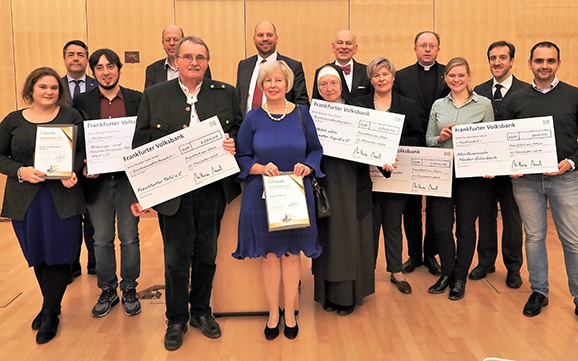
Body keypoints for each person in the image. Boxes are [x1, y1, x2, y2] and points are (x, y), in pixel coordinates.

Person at [130, 36, 242, 351]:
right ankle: (176, 318)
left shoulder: (225, 93)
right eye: (188, 57)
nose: (194, 62)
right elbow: (141, 145)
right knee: (176, 257)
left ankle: (201, 312)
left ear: (207, 62)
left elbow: (238, 130)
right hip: (172, 193)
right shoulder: (155, 96)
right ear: (176, 60)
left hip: (211, 189)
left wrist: (232, 142)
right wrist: (143, 192)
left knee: (206, 254)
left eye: (200, 57)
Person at [232, 60, 323, 340]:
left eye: (278, 81)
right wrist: (258, 168)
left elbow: (315, 150)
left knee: (292, 255)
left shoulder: (302, 114)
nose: (273, 85)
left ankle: (291, 313)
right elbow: (242, 156)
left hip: (296, 193)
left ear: (288, 85)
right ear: (262, 85)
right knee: (270, 257)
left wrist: (308, 166)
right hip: (262, 196)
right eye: (268, 81)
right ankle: (273, 314)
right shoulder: (253, 118)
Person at [0, 67, 85, 344]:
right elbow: (1, 156)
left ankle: (50, 311)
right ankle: (51, 304)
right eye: (43, 87)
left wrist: (73, 171)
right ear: (31, 90)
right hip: (26, 198)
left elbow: (82, 153)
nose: (49, 92)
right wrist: (20, 171)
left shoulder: (71, 117)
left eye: (54, 88)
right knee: (38, 252)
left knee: (61, 252)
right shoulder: (13, 121)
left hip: (62, 196)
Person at [502, 41, 578, 318]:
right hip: (526, 182)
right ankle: (539, 291)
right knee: (533, 237)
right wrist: (509, 163)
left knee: (573, 240)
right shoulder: (515, 99)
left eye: (550, 61)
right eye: (539, 61)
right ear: (530, 63)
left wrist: (570, 162)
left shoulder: (574, 95)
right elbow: (503, 140)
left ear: (558, 64)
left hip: (565, 179)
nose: (544, 66)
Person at [73, 49, 143, 317]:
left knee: (129, 238)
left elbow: (144, 137)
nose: (106, 72)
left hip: (128, 180)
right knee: (101, 239)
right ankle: (107, 289)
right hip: (97, 182)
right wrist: (85, 165)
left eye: (110, 66)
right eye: (100, 68)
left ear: (118, 69)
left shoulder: (137, 99)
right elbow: (79, 141)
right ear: (93, 72)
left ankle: (129, 288)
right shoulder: (82, 101)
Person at [425, 57, 494, 300]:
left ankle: (459, 277)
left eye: (461, 75)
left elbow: (490, 141)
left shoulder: (484, 105)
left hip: (471, 176)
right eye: (452, 76)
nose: (456, 80)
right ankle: (447, 272)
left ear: (468, 76)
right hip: (442, 172)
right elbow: (428, 140)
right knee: (442, 227)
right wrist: (440, 138)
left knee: (465, 228)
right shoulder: (437, 106)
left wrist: (489, 164)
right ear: (445, 77)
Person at [310, 64, 374, 316]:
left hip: (352, 182)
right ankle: (327, 293)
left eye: (333, 83)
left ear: (341, 86)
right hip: (324, 183)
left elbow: (374, 146)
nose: (328, 88)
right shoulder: (311, 114)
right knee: (327, 238)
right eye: (322, 84)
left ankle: (348, 296)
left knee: (350, 237)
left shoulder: (359, 112)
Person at [357, 57, 423, 295]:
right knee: (370, 226)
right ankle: (367, 272)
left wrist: (390, 145)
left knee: (393, 224)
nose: (381, 79)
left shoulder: (408, 104)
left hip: (397, 175)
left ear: (393, 78)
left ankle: (396, 271)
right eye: (376, 75)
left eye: (385, 74)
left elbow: (418, 137)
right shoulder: (360, 105)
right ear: (371, 80)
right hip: (368, 177)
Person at [471, 41, 529, 288]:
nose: (497, 62)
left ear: (512, 61)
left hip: (514, 172)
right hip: (486, 171)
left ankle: (513, 267)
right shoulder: (478, 90)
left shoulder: (527, 90)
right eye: (493, 58)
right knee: (485, 217)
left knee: (512, 220)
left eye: (502, 58)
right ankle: (485, 262)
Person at [394, 31, 450, 275]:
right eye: (423, 45)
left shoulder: (450, 74)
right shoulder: (402, 76)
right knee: (411, 207)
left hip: (441, 147)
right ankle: (414, 254)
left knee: (437, 207)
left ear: (438, 49)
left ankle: (432, 255)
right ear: (415, 48)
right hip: (412, 147)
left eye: (432, 45)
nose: (427, 49)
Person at [62, 39, 97, 279]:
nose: (76, 58)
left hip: (93, 157)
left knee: (93, 216)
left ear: (87, 60)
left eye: (81, 54)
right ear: (64, 58)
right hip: (65, 158)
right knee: (70, 215)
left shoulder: (99, 84)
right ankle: (72, 263)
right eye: (71, 54)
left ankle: (95, 263)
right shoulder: (55, 86)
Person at [236, 21, 309, 115]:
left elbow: (301, 103)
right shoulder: (244, 65)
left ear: (276, 38)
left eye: (269, 35)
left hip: (281, 126)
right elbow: (238, 100)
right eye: (260, 35)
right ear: (254, 39)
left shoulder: (293, 66)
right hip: (248, 126)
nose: (265, 38)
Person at [144, 25, 212, 89]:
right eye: (168, 40)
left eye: (176, 39)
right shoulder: (153, 70)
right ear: (163, 43)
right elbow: (151, 98)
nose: (172, 43)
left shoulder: (198, 66)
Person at [311, 30, 372, 100]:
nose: (344, 47)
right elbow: (316, 102)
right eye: (340, 43)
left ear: (355, 48)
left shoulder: (367, 71)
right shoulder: (322, 71)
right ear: (333, 47)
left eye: (348, 43)